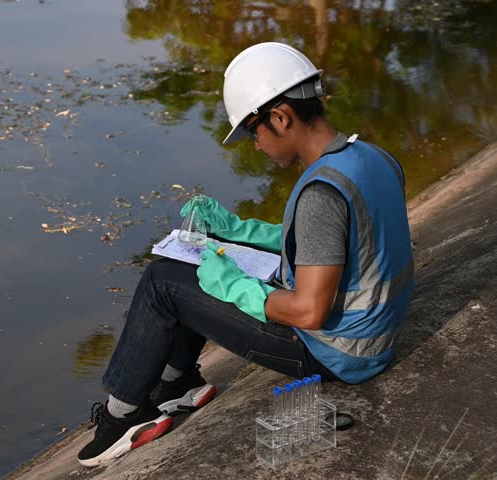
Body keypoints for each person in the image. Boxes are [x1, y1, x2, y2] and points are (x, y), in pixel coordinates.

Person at [77, 42, 414, 467]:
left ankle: (121, 416)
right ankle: (176, 381)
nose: (256, 145)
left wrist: (235, 285)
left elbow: (309, 312)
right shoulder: (371, 158)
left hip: (336, 351)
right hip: (374, 336)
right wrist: (237, 230)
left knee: (162, 281)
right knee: (189, 263)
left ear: (280, 117)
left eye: (254, 132)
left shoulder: (320, 194)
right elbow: (333, 241)